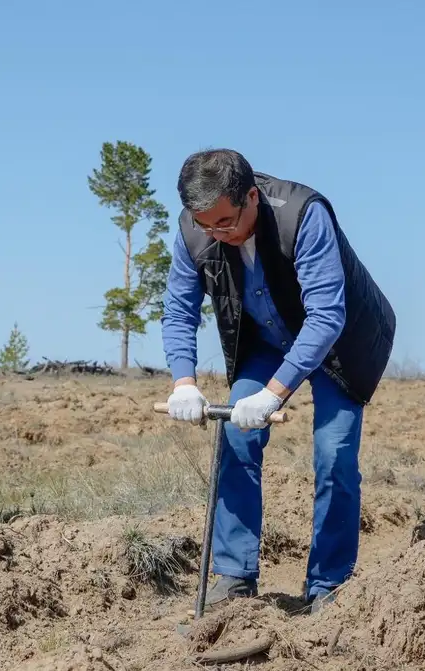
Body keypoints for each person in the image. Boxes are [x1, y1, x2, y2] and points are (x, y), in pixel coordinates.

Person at [161, 148, 396, 613]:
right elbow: (178, 310)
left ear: (251, 196)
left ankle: (329, 584)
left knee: (334, 456)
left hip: (340, 343)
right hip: (266, 339)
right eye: (205, 224)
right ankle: (234, 574)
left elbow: (327, 315)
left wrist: (274, 394)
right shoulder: (195, 229)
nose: (215, 234)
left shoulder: (304, 215)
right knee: (236, 438)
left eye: (225, 223)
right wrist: (182, 382)